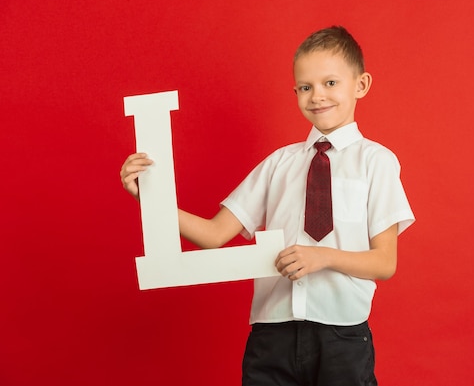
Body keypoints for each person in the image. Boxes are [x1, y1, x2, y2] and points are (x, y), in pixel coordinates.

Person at [120, 26, 415, 386]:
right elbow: (214, 235)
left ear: (361, 84)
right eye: (306, 87)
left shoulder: (377, 162)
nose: (317, 96)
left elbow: (384, 262)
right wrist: (150, 198)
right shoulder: (279, 164)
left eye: (330, 83)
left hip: (341, 336)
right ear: (295, 92)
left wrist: (322, 256)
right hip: (272, 335)